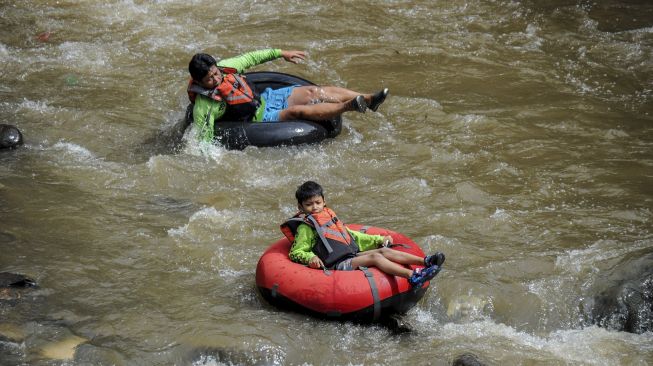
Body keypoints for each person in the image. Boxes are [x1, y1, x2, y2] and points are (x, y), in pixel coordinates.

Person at [187, 49, 389, 142]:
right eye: (209, 79)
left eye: (215, 73)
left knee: (313, 92)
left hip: (265, 98)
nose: (216, 79)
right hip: (258, 120)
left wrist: (281, 53)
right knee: (296, 111)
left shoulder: (227, 67)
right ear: (199, 82)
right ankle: (350, 106)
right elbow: (203, 138)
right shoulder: (205, 104)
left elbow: (252, 57)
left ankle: (369, 99)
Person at [281, 181, 445, 288]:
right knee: (376, 258)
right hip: (336, 264)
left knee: (384, 251)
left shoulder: (328, 216)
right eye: (309, 205)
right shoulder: (306, 227)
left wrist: (378, 240)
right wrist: (310, 258)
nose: (315, 207)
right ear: (301, 207)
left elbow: (351, 235)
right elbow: (296, 252)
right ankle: (413, 276)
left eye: (318, 202)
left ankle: (425, 261)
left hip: (350, 255)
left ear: (324, 201)